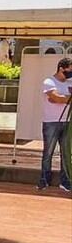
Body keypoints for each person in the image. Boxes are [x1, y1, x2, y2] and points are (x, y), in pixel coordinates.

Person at [38, 58, 71, 192]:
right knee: (48, 153)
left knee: (66, 153)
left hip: (67, 122)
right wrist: (63, 98)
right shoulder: (49, 81)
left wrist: (60, 98)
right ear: (61, 68)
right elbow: (55, 97)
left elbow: (58, 99)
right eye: (70, 69)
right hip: (51, 122)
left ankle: (65, 181)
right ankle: (44, 180)